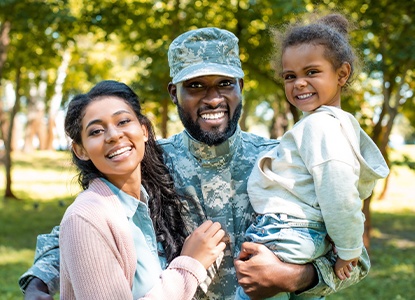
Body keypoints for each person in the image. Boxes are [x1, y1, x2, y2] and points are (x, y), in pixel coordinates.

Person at [19, 27, 371, 300]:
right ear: (174, 93)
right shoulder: (148, 161)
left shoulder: (280, 160)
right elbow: (85, 226)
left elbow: (355, 258)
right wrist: (38, 281)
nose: (213, 97)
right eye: (196, 85)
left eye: (224, 84)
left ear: (241, 87)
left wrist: (292, 276)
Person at [235, 14, 389, 300]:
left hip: (285, 233)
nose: (299, 83)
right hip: (304, 236)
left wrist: (349, 251)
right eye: (290, 76)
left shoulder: (321, 126)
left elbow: (339, 194)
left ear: (342, 74)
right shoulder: (332, 124)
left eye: (312, 72)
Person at [58, 80, 226, 299]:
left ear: (144, 130)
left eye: (123, 121)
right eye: (96, 131)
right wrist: (190, 265)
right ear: (80, 150)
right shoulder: (85, 218)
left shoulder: (146, 202)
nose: (113, 135)